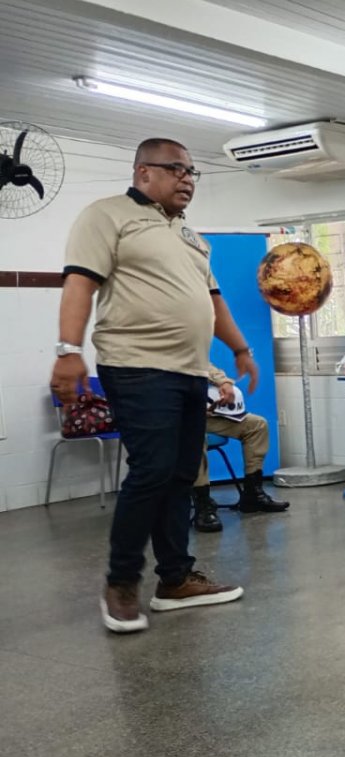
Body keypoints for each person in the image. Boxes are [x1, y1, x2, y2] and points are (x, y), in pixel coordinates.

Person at [53, 138, 253, 634]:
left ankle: (175, 580)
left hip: (189, 370)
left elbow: (213, 300)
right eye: (177, 169)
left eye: (192, 173)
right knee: (152, 471)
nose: (187, 179)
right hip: (137, 366)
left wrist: (241, 349)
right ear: (144, 172)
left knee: (182, 474)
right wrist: (68, 350)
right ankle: (121, 584)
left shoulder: (189, 235)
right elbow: (80, 282)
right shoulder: (108, 215)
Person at [191, 363, 288, 533]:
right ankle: (203, 504)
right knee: (194, 437)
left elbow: (203, 364)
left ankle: (253, 495)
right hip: (177, 416)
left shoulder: (188, 345)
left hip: (208, 414)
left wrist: (224, 383)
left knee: (257, 425)